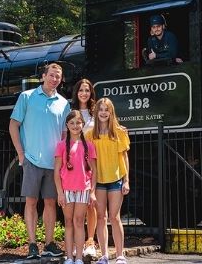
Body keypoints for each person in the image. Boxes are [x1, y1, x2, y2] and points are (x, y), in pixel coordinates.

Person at [9, 63, 70, 259]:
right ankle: (32, 244)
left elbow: (64, 135)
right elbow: (13, 125)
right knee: (31, 202)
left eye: (58, 76)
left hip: (54, 163)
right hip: (32, 160)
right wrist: (21, 154)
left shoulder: (64, 103)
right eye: (51, 75)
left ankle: (50, 244)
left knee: (51, 203)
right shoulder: (26, 97)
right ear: (43, 76)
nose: (54, 79)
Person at [86, 98, 130, 264]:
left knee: (115, 217)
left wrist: (126, 180)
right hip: (98, 182)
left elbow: (124, 157)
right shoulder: (90, 135)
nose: (103, 112)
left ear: (111, 113)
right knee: (101, 218)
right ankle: (104, 256)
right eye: (101, 109)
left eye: (107, 110)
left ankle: (120, 255)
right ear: (96, 112)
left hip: (116, 179)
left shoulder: (119, 132)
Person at [54, 110, 98, 264]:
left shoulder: (89, 146)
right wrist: (60, 192)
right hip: (66, 190)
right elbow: (57, 171)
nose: (75, 125)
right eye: (71, 123)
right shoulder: (61, 146)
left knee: (79, 221)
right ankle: (69, 257)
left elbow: (94, 171)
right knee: (68, 222)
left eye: (78, 123)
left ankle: (79, 257)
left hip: (83, 189)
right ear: (67, 125)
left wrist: (92, 192)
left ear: (82, 124)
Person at [70, 79, 100, 259]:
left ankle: (90, 240)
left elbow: (107, 124)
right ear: (76, 92)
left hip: (94, 158)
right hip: (77, 162)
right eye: (81, 90)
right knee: (76, 204)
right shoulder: (71, 111)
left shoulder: (95, 111)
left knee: (91, 202)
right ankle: (76, 242)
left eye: (87, 90)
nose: (84, 93)